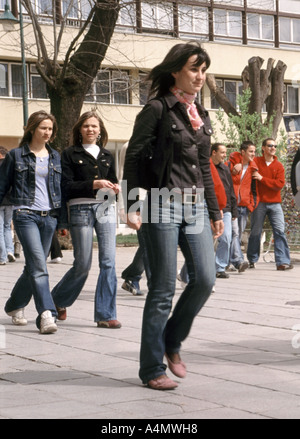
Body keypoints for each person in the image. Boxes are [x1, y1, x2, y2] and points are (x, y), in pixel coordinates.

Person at [123, 42, 224, 390]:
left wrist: (214, 211)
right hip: (160, 203)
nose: (200, 76)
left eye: (203, 70)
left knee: (206, 279)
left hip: (195, 205)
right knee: (163, 287)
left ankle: (171, 340)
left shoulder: (202, 116)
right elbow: (134, 159)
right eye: (195, 69)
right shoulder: (156, 109)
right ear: (175, 71)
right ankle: (151, 368)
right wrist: (134, 207)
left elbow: (206, 171)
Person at [51, 111, 121, 328]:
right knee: (83, 264)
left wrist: (116, 188)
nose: (91, 129)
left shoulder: (107, 155)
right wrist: (93, 184)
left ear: (100, 130)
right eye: (86, 126)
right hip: (80, 208)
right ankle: (57, 300)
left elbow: (113, 182)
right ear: (79, 130)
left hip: (106, 207)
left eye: (94, 126)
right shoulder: (69, 154)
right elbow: (65, 186)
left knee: (108, 261)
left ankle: (106, 314)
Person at [0, 111, 61, 334]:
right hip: (25, 214)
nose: (47, 132)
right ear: (32, 128)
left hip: (49, 217)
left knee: (33, 266)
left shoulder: (55, 156)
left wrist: (60, 219)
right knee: (39, 264)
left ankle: (14, 305)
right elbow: (1, 186)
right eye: (43, 127)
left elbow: (59, 189)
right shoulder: (15, 156)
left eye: (50, 129)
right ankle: (46, 313)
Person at [247, 138, 293, 270]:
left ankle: (282, 262)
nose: (273, 148)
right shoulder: (256, 161)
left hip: (275, 204)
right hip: (259, 202)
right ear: (263, 148)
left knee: (279, 231)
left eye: (275, 146)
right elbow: (242, 160)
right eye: (270, 145)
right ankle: (252, 259)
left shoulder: (279, 166)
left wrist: (261, 178)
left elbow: (279, 185)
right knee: (255, 231)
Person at [118, 142, 149, 296]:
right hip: (139, 200)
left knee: (150, 244)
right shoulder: (130, 145)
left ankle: (132, 276)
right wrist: (125, 207)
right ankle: (152, 282)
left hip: (157, 199)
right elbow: (124, 175)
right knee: (148, 244)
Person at [211, 143, 241, 278]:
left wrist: (234, 210)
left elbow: (230, 190)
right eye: (222, 152)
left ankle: (219, 267)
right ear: (213, 153)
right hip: (210, 208)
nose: (225, 155)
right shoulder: (206, 168)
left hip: (226, 208)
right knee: (204, 241)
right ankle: (188, 272)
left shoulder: (225, 168)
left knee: (226, 238)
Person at [227, 141, 259, 270]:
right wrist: (234, 170)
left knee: (237, 234)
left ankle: (227, 262)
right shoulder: (231, 164)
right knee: (233, 233)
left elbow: (255, 189)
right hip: (231, 205)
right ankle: (238, 261)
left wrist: (251, 205)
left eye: (254, 151)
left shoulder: (253, 168)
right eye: (251, 151)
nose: (253, 154)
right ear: (243, 152)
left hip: (244, 206)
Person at [0, 146, 15, 265]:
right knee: (7, 227)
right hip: (10, 202)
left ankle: (2, 257)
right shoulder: (11, 166)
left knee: (0, 229)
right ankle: (10, 251)